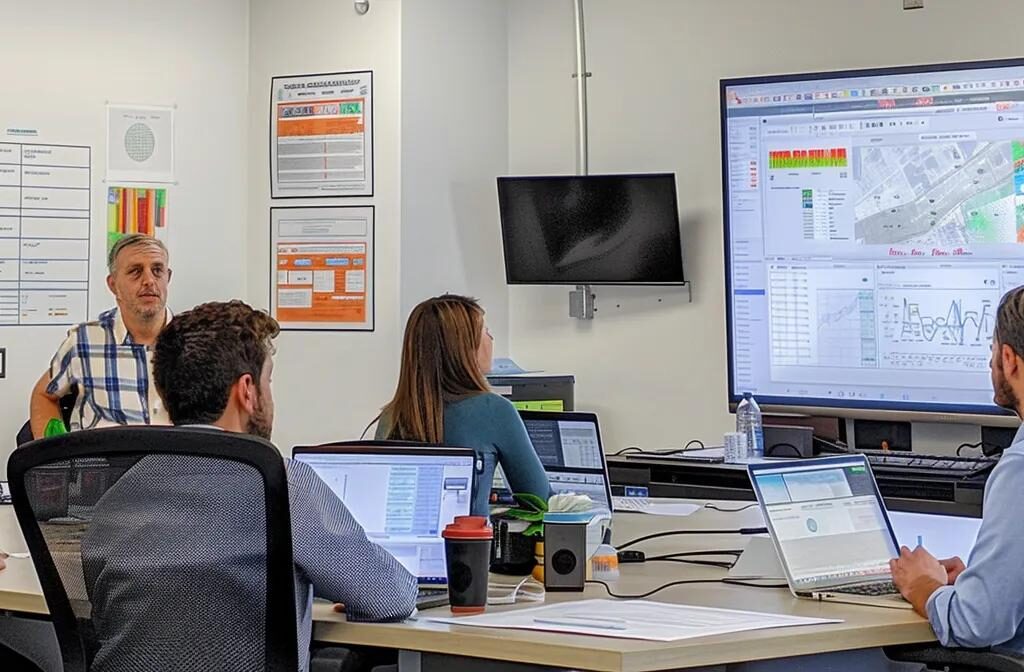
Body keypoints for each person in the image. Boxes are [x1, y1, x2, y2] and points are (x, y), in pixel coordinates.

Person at [80, 301, 417, 672]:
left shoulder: (119, 494)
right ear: (247, 390)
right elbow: (390, 597)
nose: (269, 395)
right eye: (267, 381)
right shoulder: (278, 483)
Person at [891, 285, 1024, 654]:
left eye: (992, 350)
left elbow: (977, 624)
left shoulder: (1019, 472)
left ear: (1009, 359)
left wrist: (925, 589)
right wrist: (984, 582)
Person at [375, 294, 549, 515]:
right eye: (486, 332)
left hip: (397, 548)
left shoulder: (390, 417)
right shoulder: (494, 410)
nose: (491, 339)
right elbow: (539, 501)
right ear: (464, 348)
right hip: (469, 548)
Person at [28, 234, 173, 437]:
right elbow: (44, 394)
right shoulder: (84, 340)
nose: (149, 280)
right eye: (135, 271)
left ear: (168, 277)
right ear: (113, 285)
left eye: (157, 270)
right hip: (105, 465)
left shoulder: (194, 340)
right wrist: (53, 452)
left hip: (176, 465)